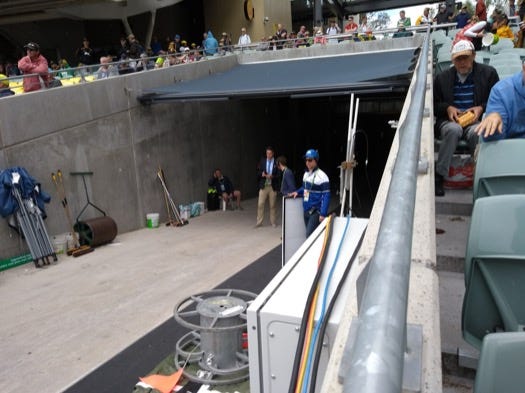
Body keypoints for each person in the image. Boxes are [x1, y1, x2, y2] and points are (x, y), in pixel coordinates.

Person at [433, 40, 499, 196]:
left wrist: (480, 108)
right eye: (458, 59)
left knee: (478, 131)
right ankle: (440, 176)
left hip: (475, 120)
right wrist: (448, 108)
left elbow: (496, 100)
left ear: (473, 56)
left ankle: (480, 175)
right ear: (452, 60)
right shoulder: (442, 78)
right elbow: (434, 105)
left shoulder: (489, 73)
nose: (462, 62)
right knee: (453, 130)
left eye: (465, 58)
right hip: (450, 121)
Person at [475, 62, 525, 141]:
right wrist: (494, 123)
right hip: (508, 149)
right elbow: (494, 142)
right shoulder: (501, 91)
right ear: (524, 68)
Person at [290, 149, 330, 237]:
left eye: (310, 160)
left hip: (316, 212)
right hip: (306, 210)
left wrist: (323, 213)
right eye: (306, 160)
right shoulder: (306, 174)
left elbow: (326, 195)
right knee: (312, 236)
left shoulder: (323, 176)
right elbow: (304, 188)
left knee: (309, 235)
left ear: (315, 160)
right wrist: (297, 192)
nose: (307, 162)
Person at [256, 146, 279, 228]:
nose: (268, 155)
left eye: (269, 153)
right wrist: (261, 174)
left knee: (272, 205)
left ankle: (273, 222)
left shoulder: (276, 162)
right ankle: (259, 222)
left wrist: (272, 176)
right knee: (260, 204)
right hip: (264, 186)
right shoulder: (262, 161)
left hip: (272, 187)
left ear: (273, 154)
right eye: (267, 153)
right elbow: (258, 172)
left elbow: (279, 175)